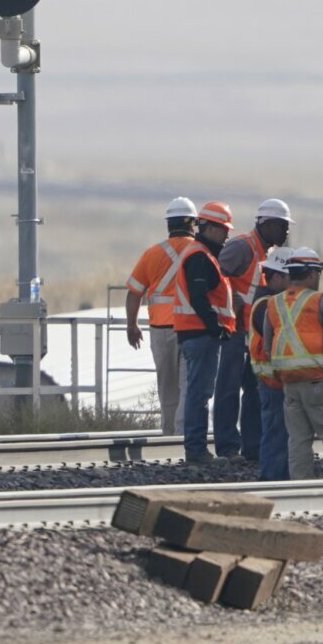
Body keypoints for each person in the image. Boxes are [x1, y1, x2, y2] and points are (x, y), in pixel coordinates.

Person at [266, 247, 323, 478]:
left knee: (298, 440)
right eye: (318, 273)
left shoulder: (274, 304)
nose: (318, 278)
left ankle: (301, 489)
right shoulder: (321, 301)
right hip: (319, 382)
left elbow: (269, 345)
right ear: (310, 274)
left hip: (290, 384)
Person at [214, 198, 293, 460]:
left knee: (254, 391)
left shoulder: (269, 254)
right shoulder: (242, 246)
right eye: (282, 226)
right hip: (235, 332)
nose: (286, 231)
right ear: (267, 224)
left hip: (253, 334)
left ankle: (253, 447)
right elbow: (215, 275)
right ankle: (227, 447)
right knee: (228, 388)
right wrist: (231, 299)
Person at [123, 196, 200, 435]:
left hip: (161, 330)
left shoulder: (152, 254)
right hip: (192, 329)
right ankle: (185, 436)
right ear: (193, 223)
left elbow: (134, 293)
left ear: (168, 224)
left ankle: (168, 438)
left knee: (167, 391)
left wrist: (132, 325)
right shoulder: (201, 252)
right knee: (189, 388)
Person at [168, 201, 236, 464]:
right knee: (199, 393)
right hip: (200, 334)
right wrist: (214, 325)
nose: (227, 236)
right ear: (210, 228)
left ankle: (196, 448)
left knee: (199, 392)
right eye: (224, 230)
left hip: (198, 333)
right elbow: (198, 296)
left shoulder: (203, 255)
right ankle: (196, 450)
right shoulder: (199, 257)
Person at [246, 246, 294, 480]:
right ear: (276, 277)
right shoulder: (266, 304)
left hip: (275, 378)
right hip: (272, 379)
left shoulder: (269, 301)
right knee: (276, 431)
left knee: (279, 431)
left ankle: (278, 477)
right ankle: (273, 479)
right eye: (290, 276)